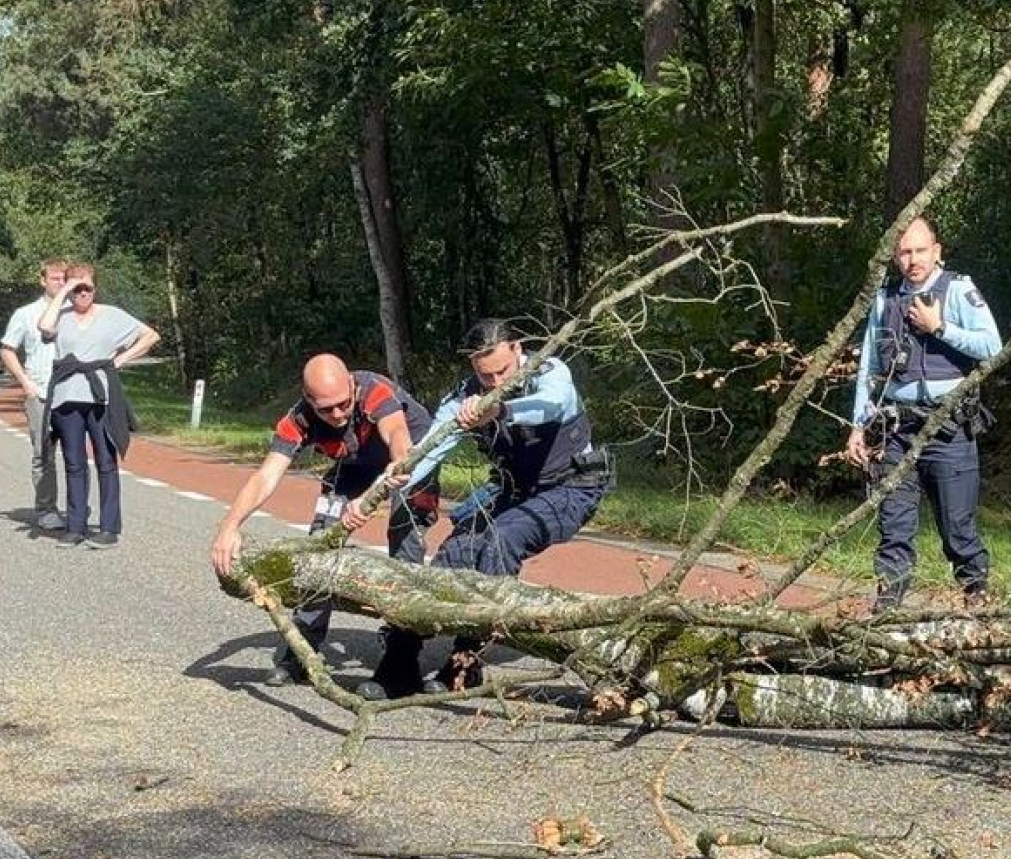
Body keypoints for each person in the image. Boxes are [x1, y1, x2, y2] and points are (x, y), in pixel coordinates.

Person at [209, 355, 442, 700]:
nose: (336, 415)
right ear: (308, 398)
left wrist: (370, 497)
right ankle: (303, 649)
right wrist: (229, 527)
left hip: (407, 460)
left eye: (343, 405)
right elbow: (266, 476)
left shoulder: (375, 391)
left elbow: (398, 435)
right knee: (320, 545)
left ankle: (401, 661)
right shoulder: (297, 418)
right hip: (355, 461)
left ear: (351, 383)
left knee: (404, 536)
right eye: (325, 409)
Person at [405, 319, 612, 691]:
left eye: (503, 371)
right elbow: (428, 452)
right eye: (486, 377)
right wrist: (390, 484)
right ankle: (399, 661)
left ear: (518, 350)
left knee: (503, 539)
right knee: (456, 552)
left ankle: (466, 662)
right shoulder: (462, 397)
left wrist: (499, 411)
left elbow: (550, 407)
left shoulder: (551, 373)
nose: (496, 383)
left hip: (570, 487)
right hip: (512, 490)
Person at [846, 217, 1002, 612]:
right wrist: (858, 426)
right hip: (896, 430)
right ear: (896, 256)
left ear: (937, 251)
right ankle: (887, 611)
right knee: (894, 527)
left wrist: (940, 327)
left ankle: (978, 602)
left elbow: (992, 346)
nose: (912, 259)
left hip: (949, 428)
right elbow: (869, 366)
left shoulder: (958, 290)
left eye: (920, 250)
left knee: (958, 529)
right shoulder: (885, 299)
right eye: (904, 252)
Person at [38, 263, 159, 549]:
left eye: (87, 287)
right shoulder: (60, 316)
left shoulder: (113, 316)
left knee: (106, 460)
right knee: (73, 462)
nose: (82, 293)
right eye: (76, 287)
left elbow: (151, 336)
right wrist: (64, 290)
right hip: (67, 397)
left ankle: (108, 527)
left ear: (95, 288)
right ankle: (76, 526)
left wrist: (120, 360)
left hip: (101, 396)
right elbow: (44, 327)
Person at [0, 258, 71, 533]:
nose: (60, 283)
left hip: (71, 392)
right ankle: (46, 509)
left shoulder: (73, 312)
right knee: (43, 453)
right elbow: (7, 348)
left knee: (75, 454)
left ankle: (76, 509)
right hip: (40, 391)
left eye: (65, 278)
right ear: (42, 280)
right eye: (55, 278)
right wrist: (25, 383)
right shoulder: (25, 314)